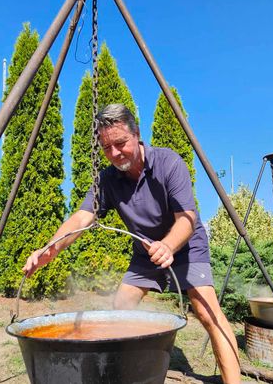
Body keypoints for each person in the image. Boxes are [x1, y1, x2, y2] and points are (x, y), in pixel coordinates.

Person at [23, 103, 241, 383]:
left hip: (185, 246)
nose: (114, 154)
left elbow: (187, 219)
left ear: (137, 134)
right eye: (106, 148)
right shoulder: (107, 179)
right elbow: (80, 218)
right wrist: (49, 249)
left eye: (120, 143)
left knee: (207, 311)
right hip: (145, 252)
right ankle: (128, 373)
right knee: (121, 307)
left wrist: (168, 246)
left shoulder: (168, 163)